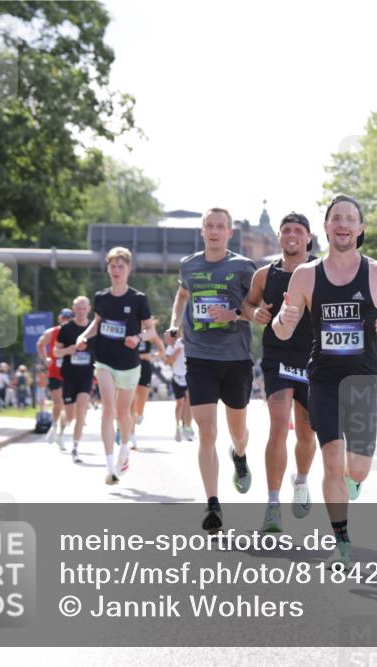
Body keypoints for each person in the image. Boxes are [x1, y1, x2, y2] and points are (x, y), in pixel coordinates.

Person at [274, 194, 377, 569]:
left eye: (351, 218)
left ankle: (354, 482)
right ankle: (342, 542)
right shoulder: (306, 275)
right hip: (325, 379)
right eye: (337, 218)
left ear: (360, 228)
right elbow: (282, 332)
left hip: (364, 378)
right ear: (327, 227)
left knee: (357, 468)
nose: (344, 224)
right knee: (331, 461)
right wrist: (282, 319)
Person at [168, 207, 258, 532]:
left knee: (238, 433)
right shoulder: (189, 265)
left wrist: (232, 313)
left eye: (221, 226)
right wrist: (175, 324)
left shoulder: (243, 267)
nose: (215, 231)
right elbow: (182, 295)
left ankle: (240, 454)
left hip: (236, 359)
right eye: (210, 226)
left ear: (230, 232)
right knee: (207, 431)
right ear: (202, 230)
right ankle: (213, 505)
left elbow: (257, 311)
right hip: (200, 357)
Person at [245, 212, 317, 533]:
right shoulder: (265, 275)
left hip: (314, 358)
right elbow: (247, 305)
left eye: (298, 231)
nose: (292, 235)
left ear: (308, 237)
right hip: (277, 355)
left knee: (306, 431)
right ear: (279, 237)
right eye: (286, 230)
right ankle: (273, 505)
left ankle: (300, 481)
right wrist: (255, 312)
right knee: (278, 424)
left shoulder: (322, 271)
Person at [75, 247, 155, 485]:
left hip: (129, 365)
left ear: (129, 269)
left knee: (123, 414)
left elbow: (150, 330)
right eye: (113, 266)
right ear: (108, 269)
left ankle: (124, 449)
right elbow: (97, 324)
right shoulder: (101, 297)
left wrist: (138, 338)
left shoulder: (138, 299)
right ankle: (110, 466)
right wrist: (83, 337)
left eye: (121, 266)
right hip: (104, 361)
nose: (117, 271)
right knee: (108, 409)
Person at [52, 296, 95, 464]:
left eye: (84, 309)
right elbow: (56, 352)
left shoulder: (94, 329)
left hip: (86, 375)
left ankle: (75, 448)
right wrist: (69, 349)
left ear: (89, 309)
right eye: (79, 309)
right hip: (69, 375)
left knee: (82, 410)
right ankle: (61, 433)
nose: (82, 312)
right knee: (70, 415)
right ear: (74, 309)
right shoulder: (66, 329)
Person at [129, 315, 167, 450]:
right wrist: (140, 356)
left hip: (145, 369)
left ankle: (139, 415)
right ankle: (131, 437)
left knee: (140, 405)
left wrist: (153, 356)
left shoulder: (149, 335)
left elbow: (162, 349)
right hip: (131, 368)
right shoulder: (130, 332)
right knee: (130, 403)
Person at [37, 309, 72, 447]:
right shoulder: (52, 332)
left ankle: (60, 434)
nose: (66, 320)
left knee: (68, 408)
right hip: (54, 372)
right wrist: (45, 358)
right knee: (58, 403)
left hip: (71, 372)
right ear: (60, 318)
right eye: (64, 317)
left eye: (69, 318)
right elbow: (40, 344)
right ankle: (54, 426)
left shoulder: (75, 332)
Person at [164, 331, 194, 442]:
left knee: (189, 402)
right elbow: (168, 361)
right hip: (177, 377)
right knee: (180, 403)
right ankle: (178, 427)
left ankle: (188, 426)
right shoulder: (174, 344)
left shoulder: (193, 342)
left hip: (189, 377)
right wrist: (177, 352)